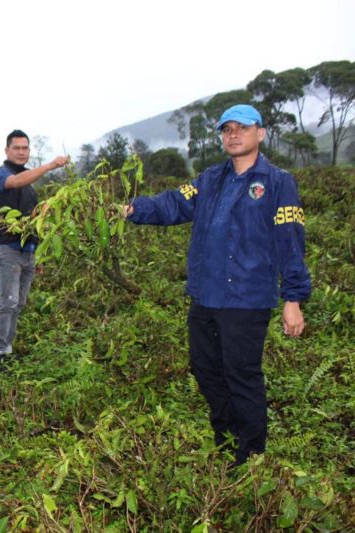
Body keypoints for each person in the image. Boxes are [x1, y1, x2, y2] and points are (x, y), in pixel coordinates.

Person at [123, 104, 311, 466]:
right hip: (206, 297)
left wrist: (293, 298)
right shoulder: (209, 180)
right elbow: (172, 204)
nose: (233, 135)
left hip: (247, 299)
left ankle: (251, 457)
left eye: (242, 128)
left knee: (241, 376)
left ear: (260, 132)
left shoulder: (277, 182)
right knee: (207, 371)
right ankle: (225, 443)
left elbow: (290, 241)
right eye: (227, 130)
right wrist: (131, 210)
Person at [0, 129, 68, 366]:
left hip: (28, 250)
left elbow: (36, 221)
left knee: (19, 302)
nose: (21, 152)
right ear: (7, 150)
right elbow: (14, 182)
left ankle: (7, 347)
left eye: (25, 148)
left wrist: (39, 254)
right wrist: (51, 165)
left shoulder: (30, 185)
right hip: (7, 247)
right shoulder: (0, 174)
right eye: (17, 148)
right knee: (8, 300)